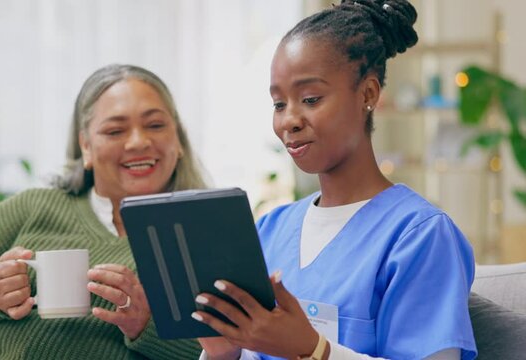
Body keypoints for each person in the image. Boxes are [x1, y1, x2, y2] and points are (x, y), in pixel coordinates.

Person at [192, 1, 477, 359]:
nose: (289, 120)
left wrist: (315, 350)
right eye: (279, 104)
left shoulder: (419, 236)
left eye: (310, 98)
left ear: (368, 94)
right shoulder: (269, 230)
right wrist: (223, 353)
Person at [0, 64, 206, 359]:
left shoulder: (204, 233)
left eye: (155, 125)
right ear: (85, 147)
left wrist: (147, 325)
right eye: (115, 130)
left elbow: (239, 350)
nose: (139, 141)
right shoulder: (35, 206)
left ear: (178, 139)